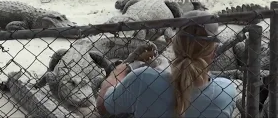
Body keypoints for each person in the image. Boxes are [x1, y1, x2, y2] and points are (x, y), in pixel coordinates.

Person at [96, 10, 237, 118]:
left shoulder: (142, 78)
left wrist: (122, 68)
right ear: (213, 52)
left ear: (174, 44)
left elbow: (102, 106)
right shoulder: (226, 91)